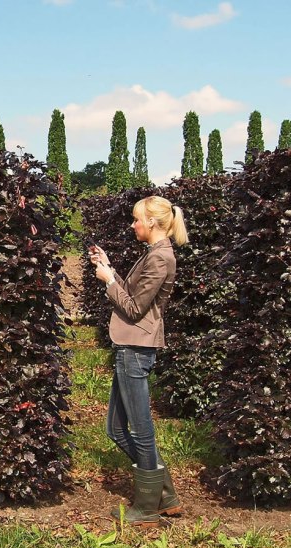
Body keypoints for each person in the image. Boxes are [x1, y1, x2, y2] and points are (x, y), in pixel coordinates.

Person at [88, 195, 189, 528]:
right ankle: (166, 495)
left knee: (140, 431)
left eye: (136, 219)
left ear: (153, 223)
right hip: (128, 346)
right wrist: (110, 268)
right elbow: (132, 295)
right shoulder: (154, 254)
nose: (133, 225)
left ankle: (147, 508)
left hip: (136, 349)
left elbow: (133, 309)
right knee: (115, 429)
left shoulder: (162, 258)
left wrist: (109, 281)